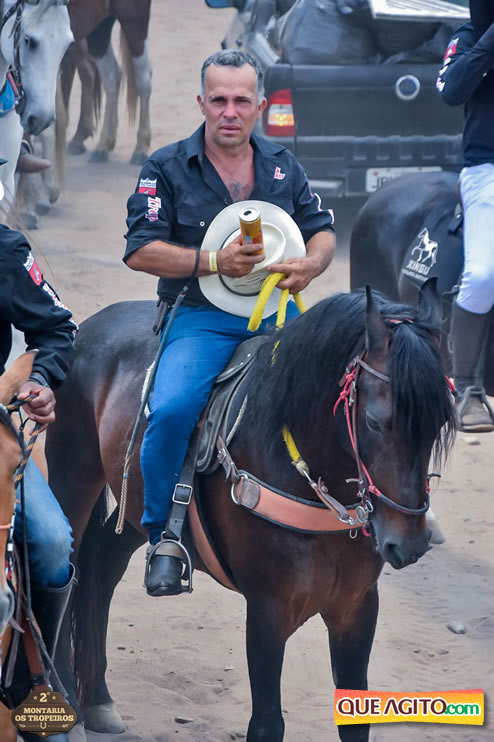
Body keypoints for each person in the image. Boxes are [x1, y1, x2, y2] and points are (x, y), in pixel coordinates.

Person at [124, 50, 335, 597]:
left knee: (343, 394)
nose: (230, 111)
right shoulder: (166, 167)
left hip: (279, 313)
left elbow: (322, 230)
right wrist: (214, 262)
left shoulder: (284, 165)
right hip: (200, 316)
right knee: (172, 409)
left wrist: (312, 265)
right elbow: (141, 250)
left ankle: (362, 506)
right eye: (219, 100)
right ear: (201, 103)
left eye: (242, 100)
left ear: (260, 106)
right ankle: (164, 535)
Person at [0, 160, 77, 707]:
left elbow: (55, 329)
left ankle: (37, 682)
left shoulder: (5, 252)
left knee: (51, 542)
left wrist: (40, 381)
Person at [436, 0, 494, 432]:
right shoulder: (468, 37)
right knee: (482, 275)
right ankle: (468, 388)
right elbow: (452, 90)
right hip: (487, 169)